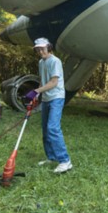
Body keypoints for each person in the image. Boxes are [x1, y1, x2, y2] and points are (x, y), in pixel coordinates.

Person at [30, 37, 72, 173]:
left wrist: (37, 91)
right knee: (45, 129)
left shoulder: (55, 61)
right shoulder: (41, 62)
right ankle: (51, 157)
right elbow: (43, 81)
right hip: (46, 98)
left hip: (56, 97)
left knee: (53, 128)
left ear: (49, 47)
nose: (40, 51)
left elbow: (54, 82)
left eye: (42, 48)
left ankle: (65, 161)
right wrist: (36, 95)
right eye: (37, 49)